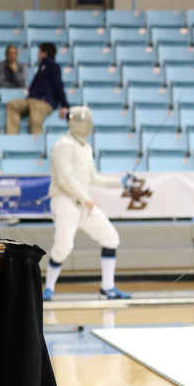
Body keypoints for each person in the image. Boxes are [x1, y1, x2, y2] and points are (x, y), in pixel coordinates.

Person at [42, 106, 131, 302]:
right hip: (64, 202)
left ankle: (107, 289)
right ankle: (48, 288)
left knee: (110, 237)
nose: (89, 124)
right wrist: (86, 199)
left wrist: (119, 183)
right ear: (76, 122)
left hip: (83, 203)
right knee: (63, 247)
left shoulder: (86, 147)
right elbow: (65, 179)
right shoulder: (62, 145)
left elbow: (93, 177)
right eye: (86, 120)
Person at [6, 42, 68, 134]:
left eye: (39, 53)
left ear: (44, 53)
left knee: (34, 120)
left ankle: (37, 146)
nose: (38, 55)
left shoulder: (53, 66)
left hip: (43, 102)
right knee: (12, 105)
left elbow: (58, 86)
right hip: (31, 100)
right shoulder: (42, 67)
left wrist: (65, 105)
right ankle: (10, 140)